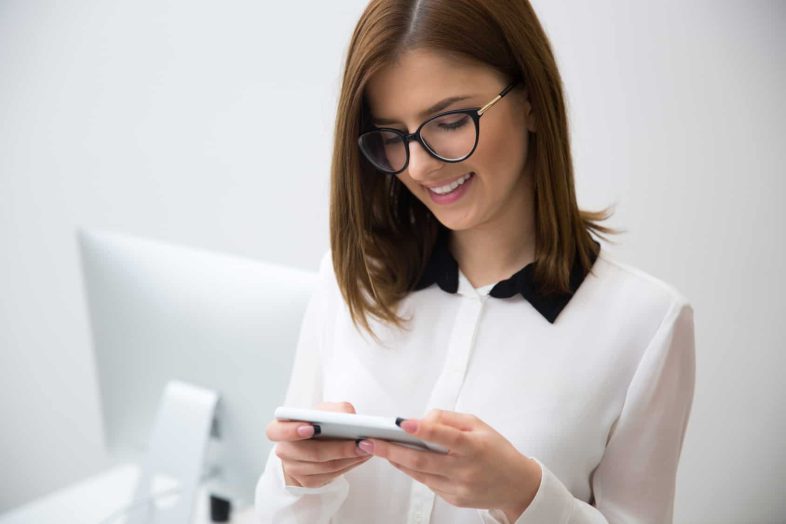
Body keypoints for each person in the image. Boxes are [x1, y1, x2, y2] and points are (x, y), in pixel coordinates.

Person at [255, 0, 695, 522]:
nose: (418, 167)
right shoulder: (351, 279)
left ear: (530, 99)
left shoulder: (645, 323)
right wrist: (296, 479)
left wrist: (524, 495)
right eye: (392, 136)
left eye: (449, 121)